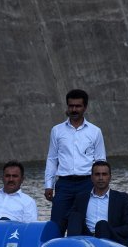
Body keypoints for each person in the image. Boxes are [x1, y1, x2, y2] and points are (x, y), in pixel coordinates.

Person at [44, 89, 106, 233]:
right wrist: (48, 185)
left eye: (78, 106)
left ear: (85, 107)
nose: (74, 109)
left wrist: (100, 186)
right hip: (64, 184)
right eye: (71, 106)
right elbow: (52, 159)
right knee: (56, 224)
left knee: (83, 224)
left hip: (87, 184)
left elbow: (100, 161)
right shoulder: (57, 130)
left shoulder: (95, 131)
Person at [64, 160, 128, 247]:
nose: (101, 178)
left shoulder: (121, 198)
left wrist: (108, 230)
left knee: (102, 225)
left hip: (111, 240)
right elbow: (72, 222)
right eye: (97, 174)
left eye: (104, 174)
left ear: (110, 177)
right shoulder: (81, 197)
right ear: (92, 177)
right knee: (74, 216)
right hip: (86, 239)